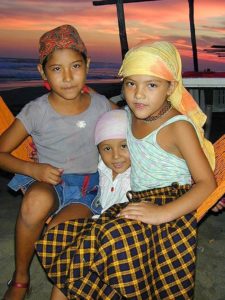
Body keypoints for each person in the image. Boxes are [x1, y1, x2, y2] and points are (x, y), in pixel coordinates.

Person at [36, 41, 216, 299]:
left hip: (169, 208)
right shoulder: (129, 114)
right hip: (137, 201)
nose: (138, 95)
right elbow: (94, 127)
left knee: (107, 243)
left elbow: (205, 183)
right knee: (75, 249)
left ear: (171, 87)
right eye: (131, 83)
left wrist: (161, 213)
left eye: (151, 85)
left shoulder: (178, 127)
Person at [0, 24, 116, 300]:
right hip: (49, 182)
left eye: (75, 66)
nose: (67, 77)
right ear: (43, 72)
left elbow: (133, 133)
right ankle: (21, 277)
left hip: (87, 191)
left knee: (58, 235)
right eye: (56, 69)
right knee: (33, 204)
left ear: (87, 64)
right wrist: (32, 169)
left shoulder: (102, 105)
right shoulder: (36, 111)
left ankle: (65, 285)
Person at [45, 109, 131, 299]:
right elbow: (70, 157)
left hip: (118, 237)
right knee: (68, 267)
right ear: (99, 150)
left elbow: (173, 173)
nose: (116, 156)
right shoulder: (100, 165)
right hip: (95, 228)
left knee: (80, 265)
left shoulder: (141, 171)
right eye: (107, 148)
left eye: (124, 145)